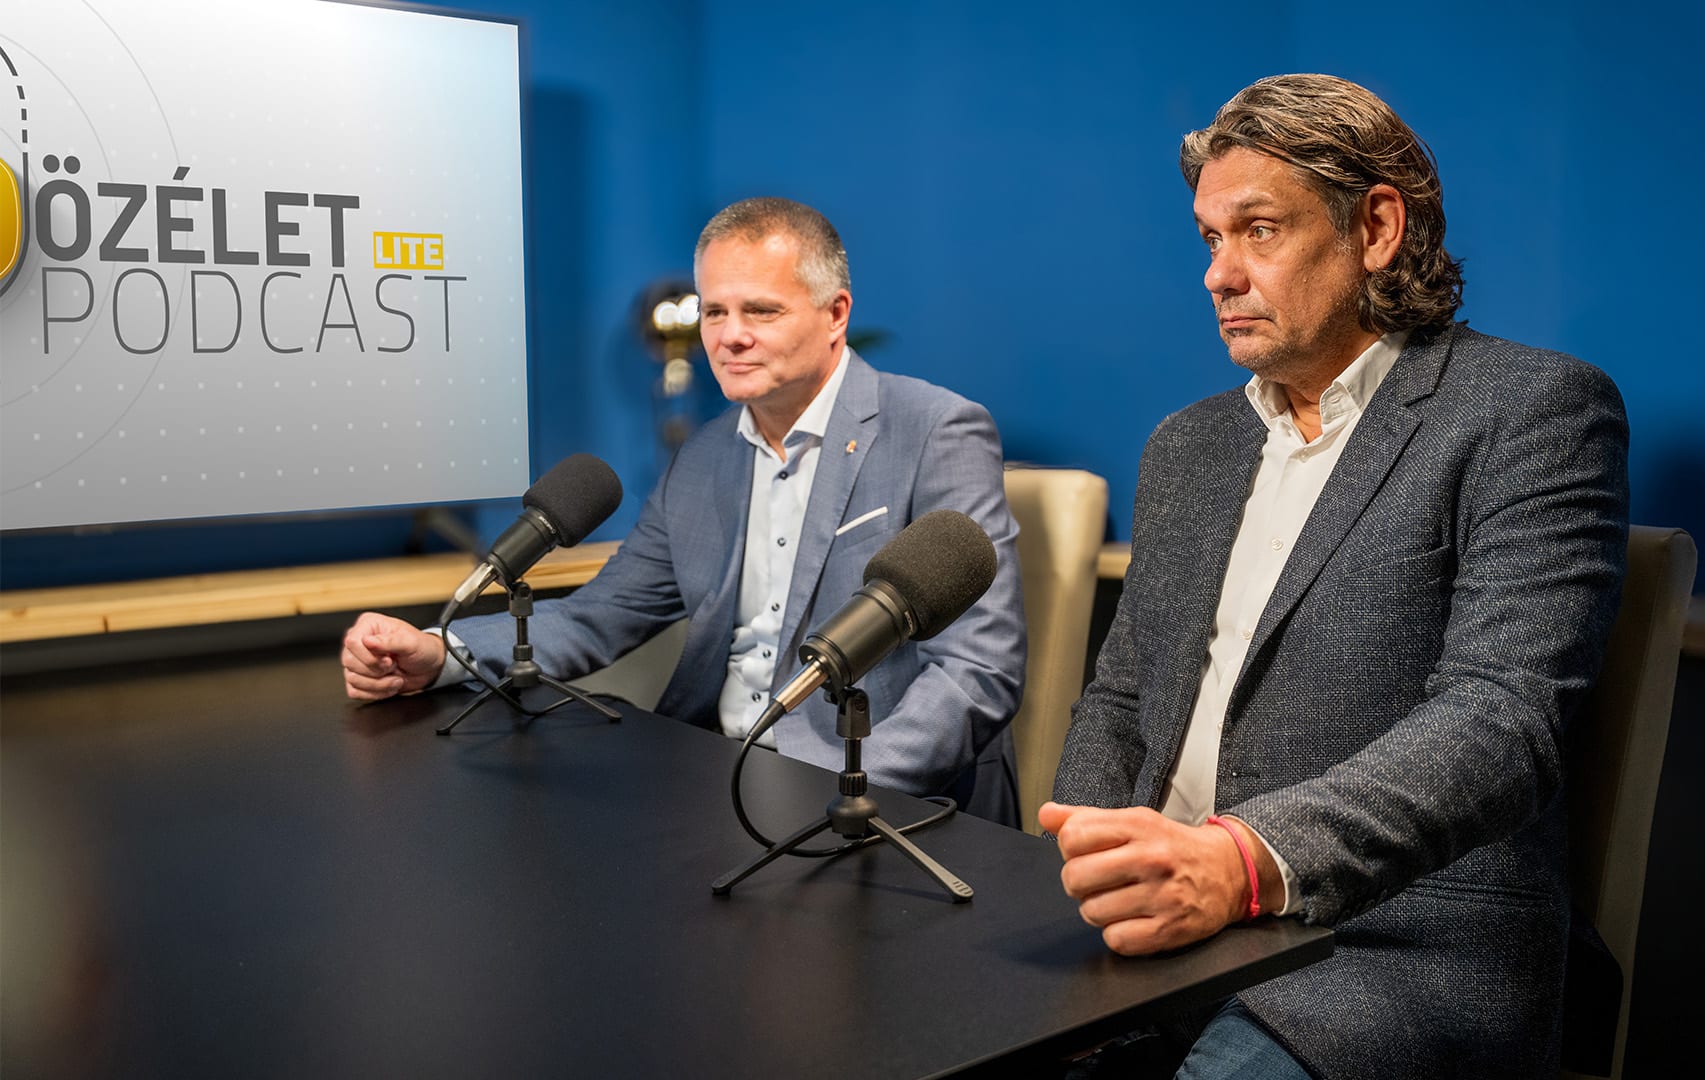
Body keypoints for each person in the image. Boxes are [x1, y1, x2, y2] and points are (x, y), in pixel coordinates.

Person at [1040, 75, 1629, 1078]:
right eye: (1209, 239)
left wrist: (1241, 862)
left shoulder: (1531, 410)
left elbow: (1500, 722)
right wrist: (1089, 870)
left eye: (1259, 231)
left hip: (1390, 949)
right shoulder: (1186, 447)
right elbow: (1122, 700)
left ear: (1377, 229)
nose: (1218, 274)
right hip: (1156, 935)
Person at [341, 197, 1027, 825]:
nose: (729, 337)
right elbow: (600, 614)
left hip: (870, 799)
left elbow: (976, 670)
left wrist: (831, 789)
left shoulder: (935, 431)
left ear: (836, 314)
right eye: (714, 312)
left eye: (761, 311)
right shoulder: (704, 457)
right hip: (713, 781)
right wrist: (440, 653)